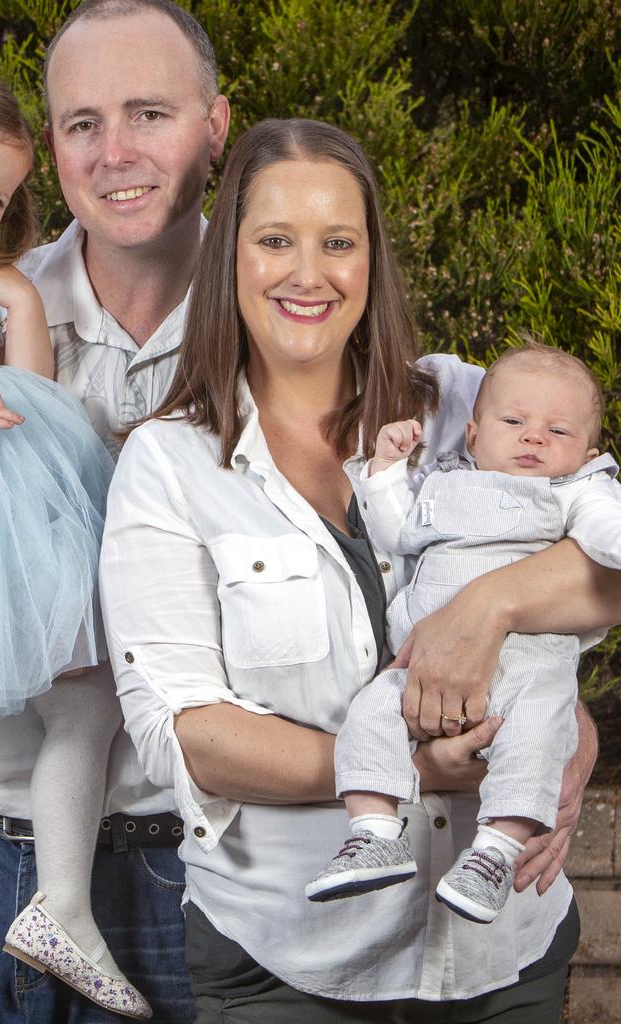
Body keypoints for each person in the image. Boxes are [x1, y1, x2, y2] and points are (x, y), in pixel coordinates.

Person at [101, 119, 621, 1023]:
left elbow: (605, 566)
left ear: (372, 258)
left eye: (338, 242)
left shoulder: (469, 404)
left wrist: (488, 610)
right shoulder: (169, 464)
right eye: (275, 241)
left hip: (505, 954)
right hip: (286, 956)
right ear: (229, 257)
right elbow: (187, 734)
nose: (309, 274)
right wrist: (425, 768)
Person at [0, 3, 230, 1022]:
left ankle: (66, 905)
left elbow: (492, 453)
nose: (115, 152)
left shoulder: (284, 306)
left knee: (87, 692)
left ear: (214, 124)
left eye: (150, 112)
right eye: (81, 123)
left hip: (178, 867)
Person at [306, 342, 621, 923]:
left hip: (528, 665)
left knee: (536, 739)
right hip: (417, 663)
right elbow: (396, 530)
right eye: (514, 422)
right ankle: (374, 830)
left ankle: (494, 856)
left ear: (587, 454)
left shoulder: (577, 490)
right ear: (472, 435)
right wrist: (383, 472)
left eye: (558, 430)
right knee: (371, 713)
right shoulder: (445, 482)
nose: (534, 438)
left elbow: (607, 537)